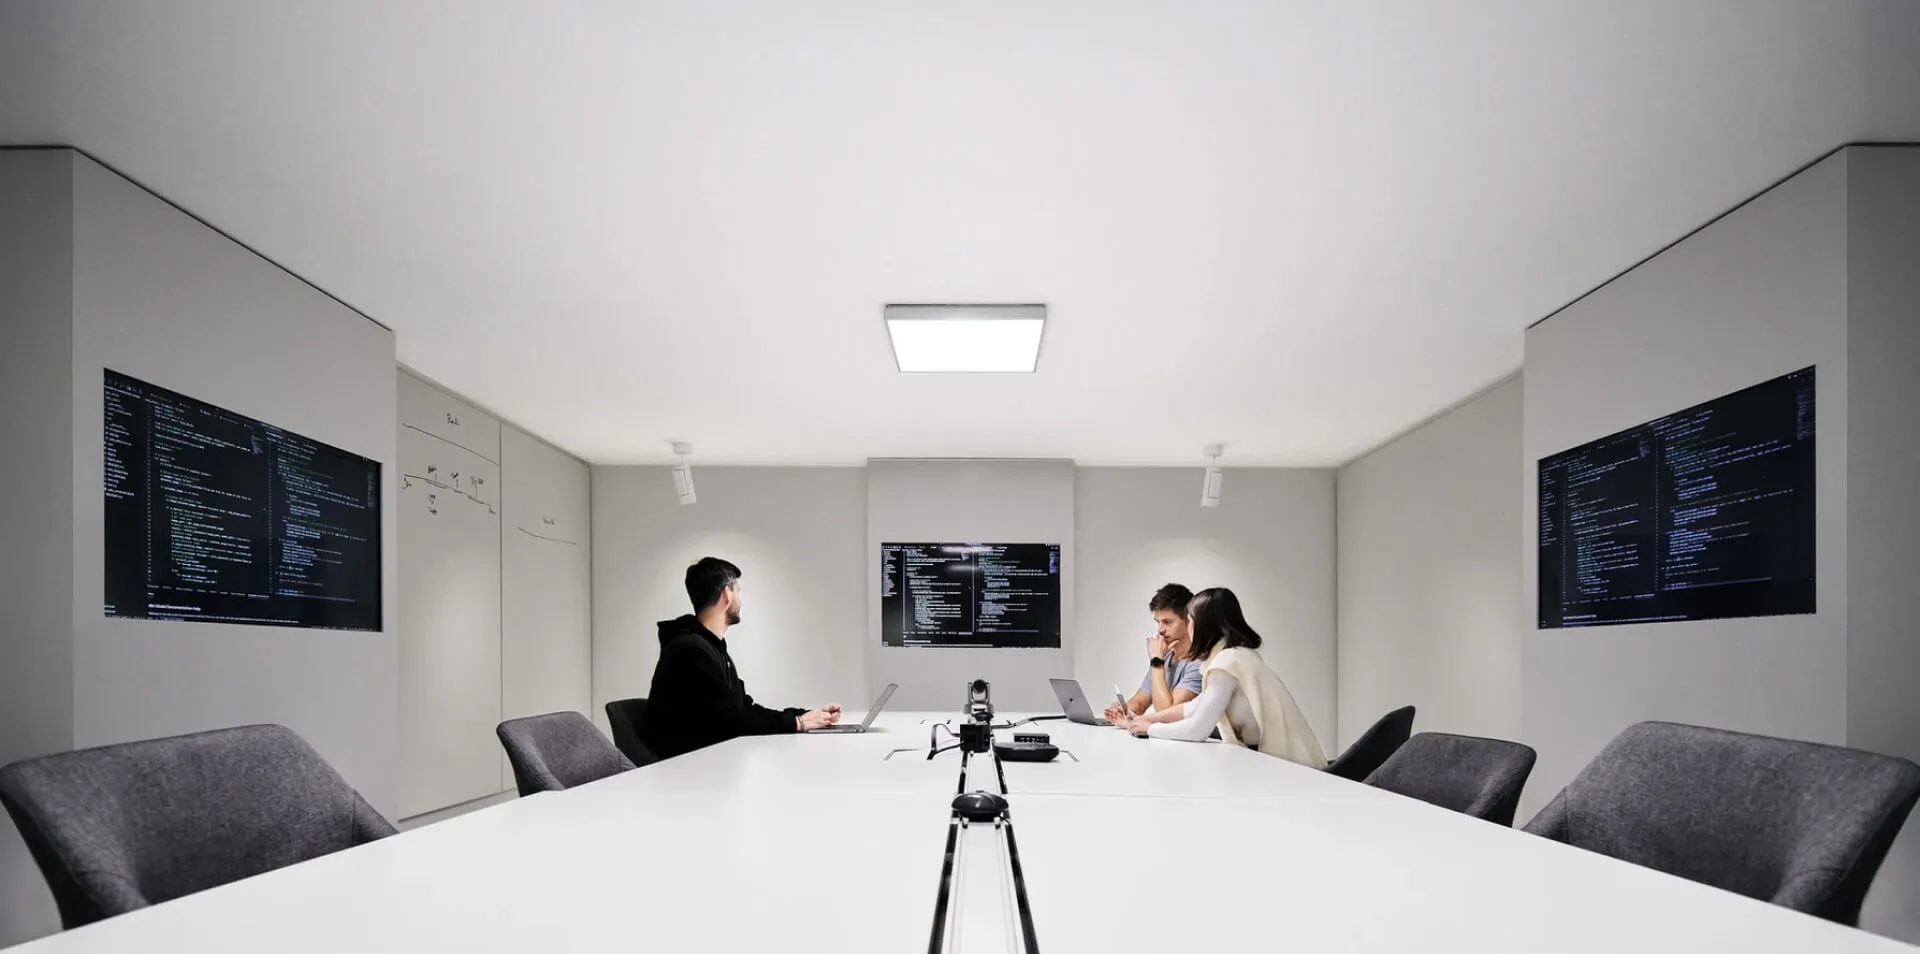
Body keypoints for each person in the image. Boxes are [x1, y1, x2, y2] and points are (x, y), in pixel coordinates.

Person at [639, 557, 842, 759]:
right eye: (738, 591)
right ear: (727, 593)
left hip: (708, 764)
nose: (740, 599)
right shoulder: (691, 650)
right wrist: (796, 723)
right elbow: (731, 722)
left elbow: (744, 709)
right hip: (688, 773)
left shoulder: (710, 648)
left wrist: (804, 716)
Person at [1124, 587, 1327, 768]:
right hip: (1282, 763)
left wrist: (1150, 728)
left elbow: (1197, 729)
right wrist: (1144, 719)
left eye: (1191, 622)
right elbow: (1194, 707)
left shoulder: (1227, 663)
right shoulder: (1234, 656)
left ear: (1204, 625)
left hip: (1293, 770)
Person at [1102, 583, 1204, 725]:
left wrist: (1156, 662)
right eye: (1158, 622)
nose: (1160, 630)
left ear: (1189, 621)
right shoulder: (1165, 657)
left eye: (1167, 622)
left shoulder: (1199, 663)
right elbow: (1139, 703)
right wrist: (1122, 711)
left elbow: (1167, 714)